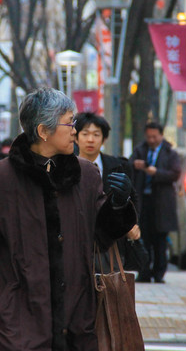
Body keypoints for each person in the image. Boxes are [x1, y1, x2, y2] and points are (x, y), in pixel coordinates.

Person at [0, 88, 136, 350]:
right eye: (69, 123)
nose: (75, 130)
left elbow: (103, 234)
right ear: (43, 131)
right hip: (18, 326)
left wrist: (118, 205)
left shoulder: (86, 175)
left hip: (76, 324)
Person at [74, 112, 146, 272]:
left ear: (104, 139)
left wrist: (133, 224)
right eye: (85, 134)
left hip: (112, 246)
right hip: (78, 243)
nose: (90, 139)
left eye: (96, 134)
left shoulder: (119, 166)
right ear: (76, 138)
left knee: (110, 283)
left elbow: (132, 197)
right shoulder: (67, 167)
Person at [129, 121, 180, 283]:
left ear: (161, 136)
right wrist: (135, 165)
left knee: (160, 240)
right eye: (149, 137)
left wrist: (156, 172)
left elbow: (175, 173)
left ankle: (159, 273)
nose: (151, 140)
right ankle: (144, 272)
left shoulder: (170, 153)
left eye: (154, 137)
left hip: (162, 203)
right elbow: (128, 165)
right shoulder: (140, 150)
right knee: (143, 238)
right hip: (143, 201)